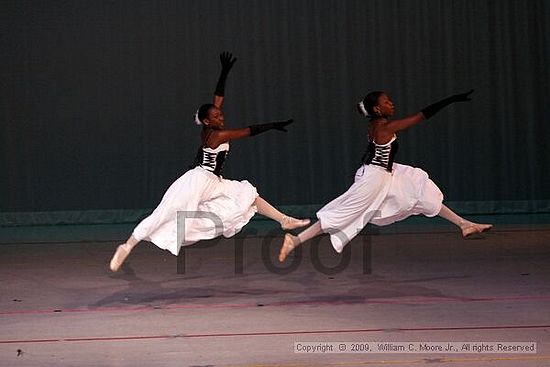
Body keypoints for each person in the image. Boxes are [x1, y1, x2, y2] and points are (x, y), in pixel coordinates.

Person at [110, 52, 309, 272]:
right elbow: (248, 131)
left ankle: (284, 220)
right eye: (216, 116)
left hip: (214, 181)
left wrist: (224, 73)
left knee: (247, 194)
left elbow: (217, 99)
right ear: (207, 121)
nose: (220, 117)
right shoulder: (216, 136)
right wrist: (273, 125)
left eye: (220, 114)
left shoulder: (209, 126)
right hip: (197, 180)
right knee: (164, 214)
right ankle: (127, 246)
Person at [279, 89, 492, 262]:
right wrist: (451, 99)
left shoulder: (376, 125)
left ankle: (464, 224)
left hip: (386, 172)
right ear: (377, 109)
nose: (392, 104)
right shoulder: (385, 128)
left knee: (420, 187)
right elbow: (421, 116)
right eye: (387, 102)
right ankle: (295, 241)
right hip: (374, 177)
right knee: (343, 213)